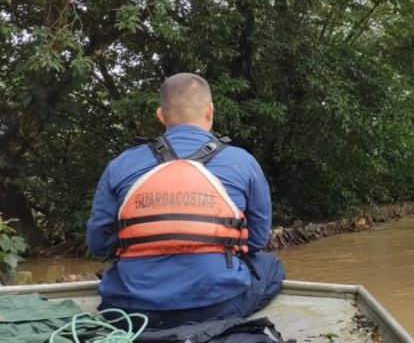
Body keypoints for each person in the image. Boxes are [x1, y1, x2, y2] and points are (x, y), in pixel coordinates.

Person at [86, 73, 285, 329]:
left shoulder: (121, 164)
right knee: (271, 264)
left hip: (130, 309)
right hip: (218, 305)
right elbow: (256, 241)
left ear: (161, 115)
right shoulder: (243, 161)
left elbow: (99, 244)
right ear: (210, 111)